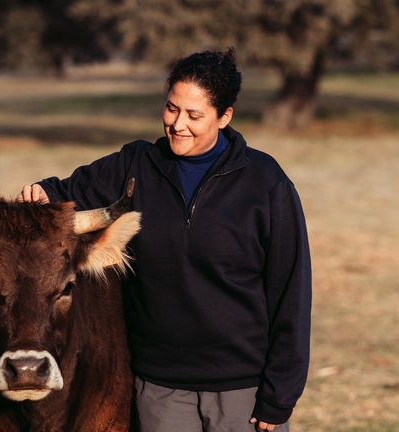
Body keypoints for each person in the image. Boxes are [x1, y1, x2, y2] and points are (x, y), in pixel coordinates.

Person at [17, 49, 311, 432]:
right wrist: (42, 192)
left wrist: (278, 398)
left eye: (194, 115)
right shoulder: (135, 164)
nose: (178, 124)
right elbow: (70, 192)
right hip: (160, 390)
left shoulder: (265, 182)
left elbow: (291, 292)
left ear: (224, 117)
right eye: (172, 108)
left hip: (244, 390)